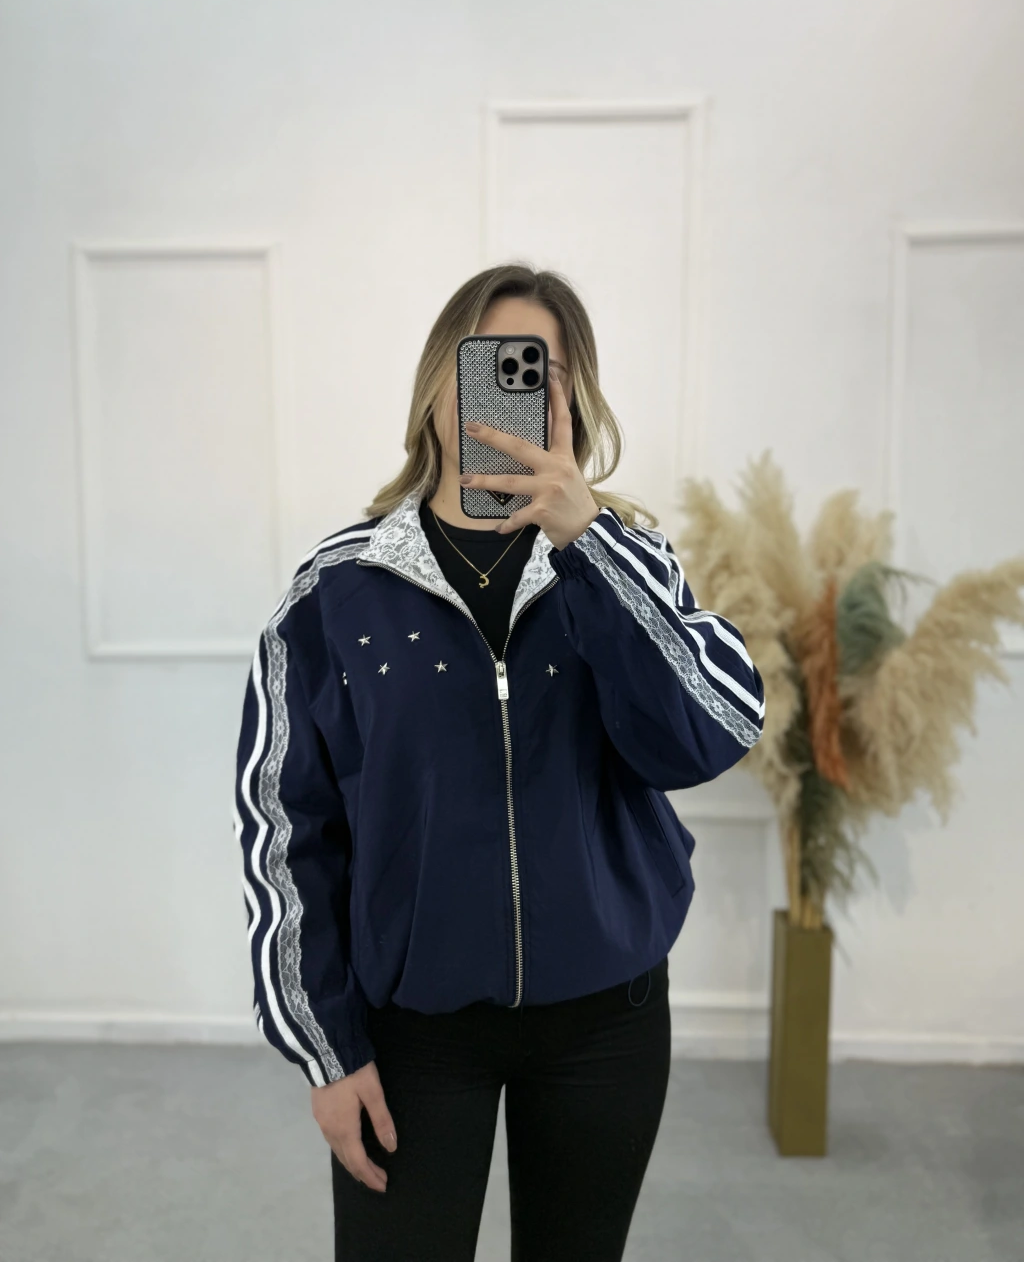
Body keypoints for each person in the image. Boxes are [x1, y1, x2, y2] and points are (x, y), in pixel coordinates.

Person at [233, 264, 765, 1262]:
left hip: (605, 1020)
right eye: (489, 362)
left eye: (541, 371)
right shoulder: (335, 593)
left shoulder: (623, 561)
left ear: (574, 400)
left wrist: (588, 541)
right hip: (413, 1031)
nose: (513, 390)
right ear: (439, 380)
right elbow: (285, 832)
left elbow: (709, 732)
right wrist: (327, 1050)